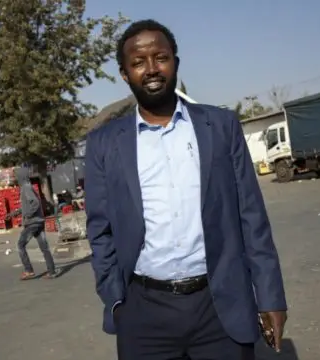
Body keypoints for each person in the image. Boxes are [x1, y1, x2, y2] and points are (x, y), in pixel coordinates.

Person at [84, 20, 287, 360]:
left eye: (160, 57)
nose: (151, 69)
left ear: (175, 61)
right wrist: (117, 300)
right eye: (138, 62)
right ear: (124, 73)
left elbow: (252, 219)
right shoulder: (105, 143)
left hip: (219, 307)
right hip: (144, 314)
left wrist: (269, 297)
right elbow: (99, 229)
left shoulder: (220, 127)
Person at [6, 167, 59, 280]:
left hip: (32, 223)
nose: (14, 178)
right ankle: (52, 271)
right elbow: (27, 206)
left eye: (15, 176)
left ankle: (29, 270)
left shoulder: (26, 188)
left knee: (20, 245)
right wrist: (14, 213)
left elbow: (34, 204)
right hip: (39, 222)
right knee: (44, 248)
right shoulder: (27, 187)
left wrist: (28, 215)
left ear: (21, 176)